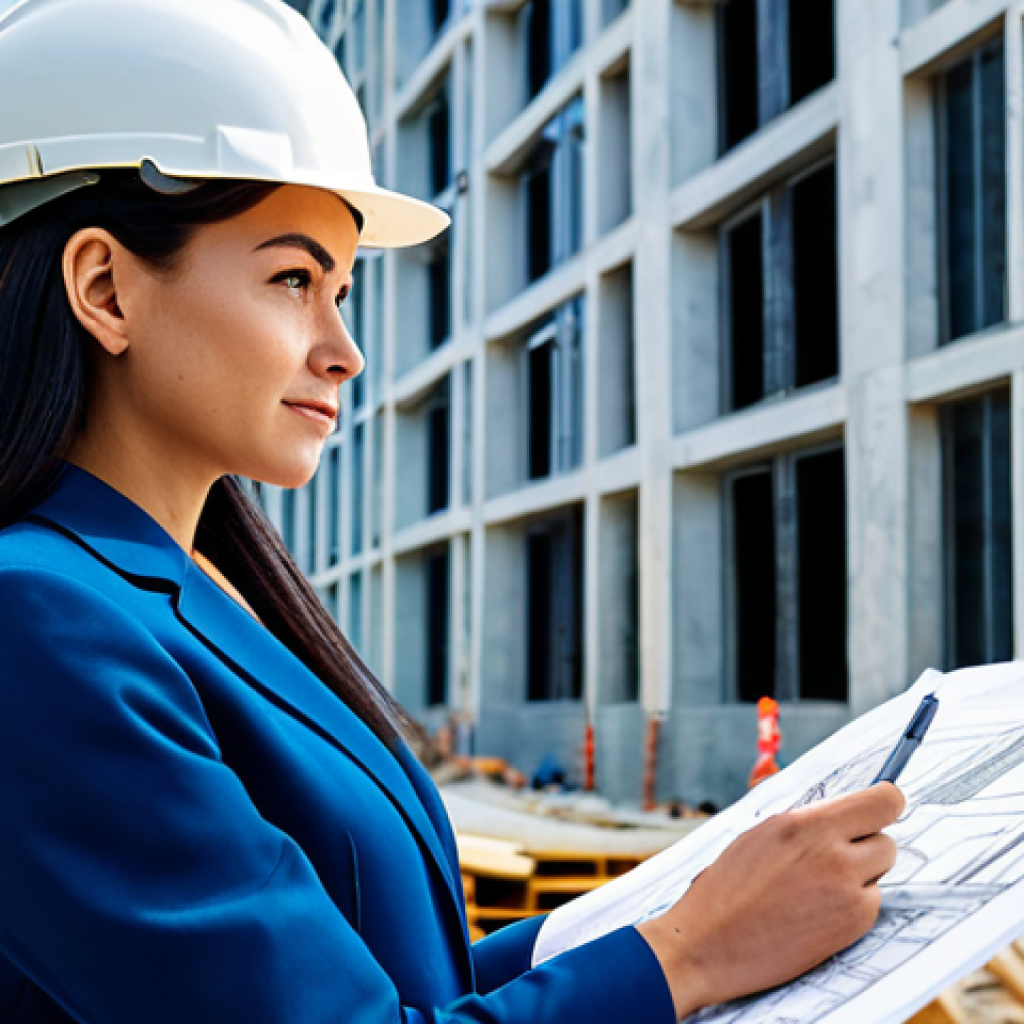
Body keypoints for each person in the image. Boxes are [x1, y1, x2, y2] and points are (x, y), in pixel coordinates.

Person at [0, 1, 904, 1021]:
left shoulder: (176, 592)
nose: (344, 350)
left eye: (341, 288)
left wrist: (681, 915)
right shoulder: (39, 621)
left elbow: (383, 974)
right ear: (106, 289)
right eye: (293, 277)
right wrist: (686, 955)